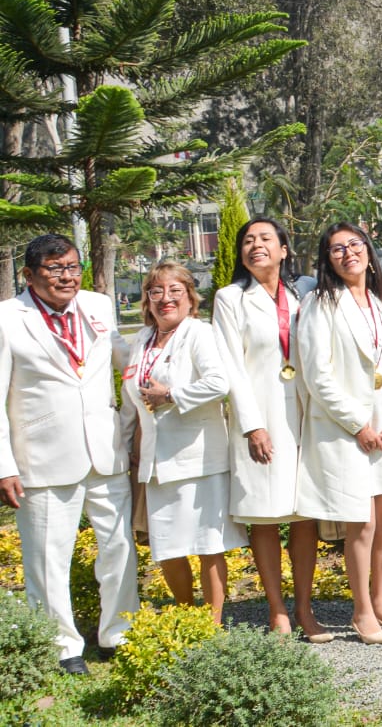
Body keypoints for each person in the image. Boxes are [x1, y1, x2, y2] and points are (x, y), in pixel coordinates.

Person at [0, 234, 138, 674]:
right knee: (46, 557)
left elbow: (128, 362)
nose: (67, 277)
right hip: (41, 457)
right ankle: (62, 646)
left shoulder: (98, 306)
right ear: (29, 275)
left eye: (73, 267)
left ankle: (118, 632)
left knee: (118, 547)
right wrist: (4, 466)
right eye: (55, 269)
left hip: (105, 449)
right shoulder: (7, 318)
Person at [296, 223, 382, 644]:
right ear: (327, 260)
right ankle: (361, 610)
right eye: (336, 249)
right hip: (347, 431)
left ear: (368, 250)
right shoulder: (319, 303)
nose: (348, 254)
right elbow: (316, 374)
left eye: (354, 245)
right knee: (360, 523)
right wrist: (357, 424)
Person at [215, 217, 330, 640]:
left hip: (307, 416)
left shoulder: (307, 293)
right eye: (248, 240)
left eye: (265, 239)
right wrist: (251, 426)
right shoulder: (230, 299)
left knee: (304, 515)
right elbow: (231, 367)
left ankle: (304, 608)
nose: (255, 245)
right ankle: (277, 610)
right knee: (264, 515)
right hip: (261, 418)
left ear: (284, 250)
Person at [121, 261, 243, 624]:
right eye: (156, 291)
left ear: (191, 299)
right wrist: (126, 444)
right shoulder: (141, 340)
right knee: (166, 546)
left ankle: (213, 623)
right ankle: (187, 617)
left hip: (197, 459)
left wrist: (172, 394)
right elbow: (131, 399)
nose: (165, 298)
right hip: (155, 462)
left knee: (207, 545)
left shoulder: (198, 333)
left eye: (175, 291)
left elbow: (219, 383)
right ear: (147, 300)